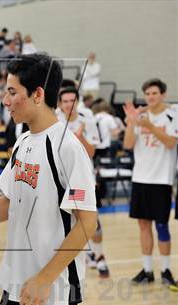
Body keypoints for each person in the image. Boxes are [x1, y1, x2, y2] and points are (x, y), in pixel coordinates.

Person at [0, 53, 97, 305]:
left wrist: (45, 278)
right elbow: (11, 199)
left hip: (52, 290)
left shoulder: (67, 147)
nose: (5, 100)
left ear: (37, 94)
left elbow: (87, 223)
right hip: (16, 281)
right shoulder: (22, 141)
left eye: (12, 92)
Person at [123, 78, 178, 286]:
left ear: (163, 94)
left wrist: (150, 126)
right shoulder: (140, 116)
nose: (150, 97)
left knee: (161, 225)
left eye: (154, 93)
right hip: (140, 177)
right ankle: (147, 270)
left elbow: (171, 143)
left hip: (162, 179)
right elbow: (128, 144)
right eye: (147, 94)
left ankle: (165, 270)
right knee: (143, 225)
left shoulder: (173, 115)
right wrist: (131, 122)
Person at [57, 87, 110, 278]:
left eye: (72, 100)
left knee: (90, 220)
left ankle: (100, 255)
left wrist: (80, 138)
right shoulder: (54, 121)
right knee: (63, 223)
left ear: (77, 101)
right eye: (65, 101)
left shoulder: (87, 121)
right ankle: (73, 260)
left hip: (81, 181)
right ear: (60, 104)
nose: (69, 104)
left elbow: (92, 152)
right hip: (60, 181)